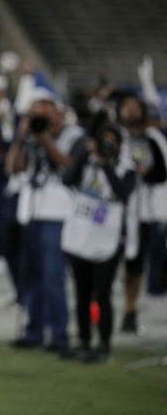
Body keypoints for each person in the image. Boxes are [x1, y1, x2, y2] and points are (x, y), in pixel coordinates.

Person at [6, 88, 84, 353]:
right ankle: (34, 331)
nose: (41, 121)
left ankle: (59, 335)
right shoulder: (29, 138)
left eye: (46, 115)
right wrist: (21, 137)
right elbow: (13, 167)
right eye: (36, 116)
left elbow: (69, 166)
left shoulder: (74, 136)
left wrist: (45, 138)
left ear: (58, 114)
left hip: (59, 213)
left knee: (53, 278)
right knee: (32, 277)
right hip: (31, 212)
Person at [61, 120, 136, 363]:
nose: (107, 146)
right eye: (104, 141)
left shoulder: (126, 167)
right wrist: (85, 154)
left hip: (108, 237)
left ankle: (104, 344)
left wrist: (106, 165)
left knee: (102, 294)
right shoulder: (87, 162)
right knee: (82, 292)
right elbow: (67, 179)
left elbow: (122, 192)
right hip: (82, 233)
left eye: (112, 142)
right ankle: (84, 340)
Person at [117, 94, 167, 333]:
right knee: (113, 262)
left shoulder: (152, 138)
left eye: (135, 108)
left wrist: (144, 168)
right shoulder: (114, 135)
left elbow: (160, 174)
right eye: (127, 107)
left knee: (140, 265)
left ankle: (132, 308)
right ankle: (116, 309)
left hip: (145, 213)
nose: (130, 112)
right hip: (115, 211)